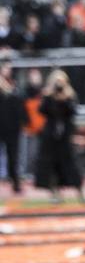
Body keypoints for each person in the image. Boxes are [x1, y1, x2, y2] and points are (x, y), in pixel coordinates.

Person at [34, 70, 85, 204]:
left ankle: (81, 195)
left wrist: (65, 99)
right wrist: (50, 96)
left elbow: (74, 111)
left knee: (72, 165)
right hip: (50, 139)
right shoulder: (48, 96)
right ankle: (55, 195)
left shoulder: (69, 95)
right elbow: (41, 111)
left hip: (65, 138)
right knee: (51, 167)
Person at [0, 61, 27, 194]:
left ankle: (15, 183)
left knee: (13, 157)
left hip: (12, 128)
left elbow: (21, 104)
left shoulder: (15, 85)